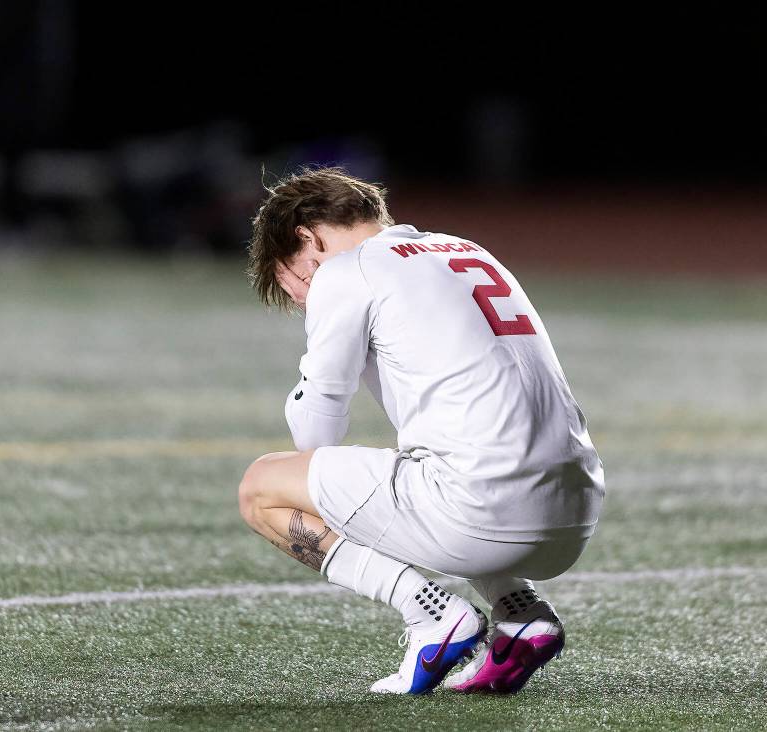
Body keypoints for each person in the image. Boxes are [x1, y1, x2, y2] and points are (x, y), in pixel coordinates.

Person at [239, 168, 604, 694]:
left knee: (261, 486)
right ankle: (519, 610)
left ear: (306, 238)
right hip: (575, 511)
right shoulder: (465, 248)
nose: (298, 299)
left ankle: (432, 616)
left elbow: (314, 435)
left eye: (290, 279)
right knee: (433, 460)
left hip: (487, 514)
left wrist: (311, 363)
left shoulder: (347, 272)